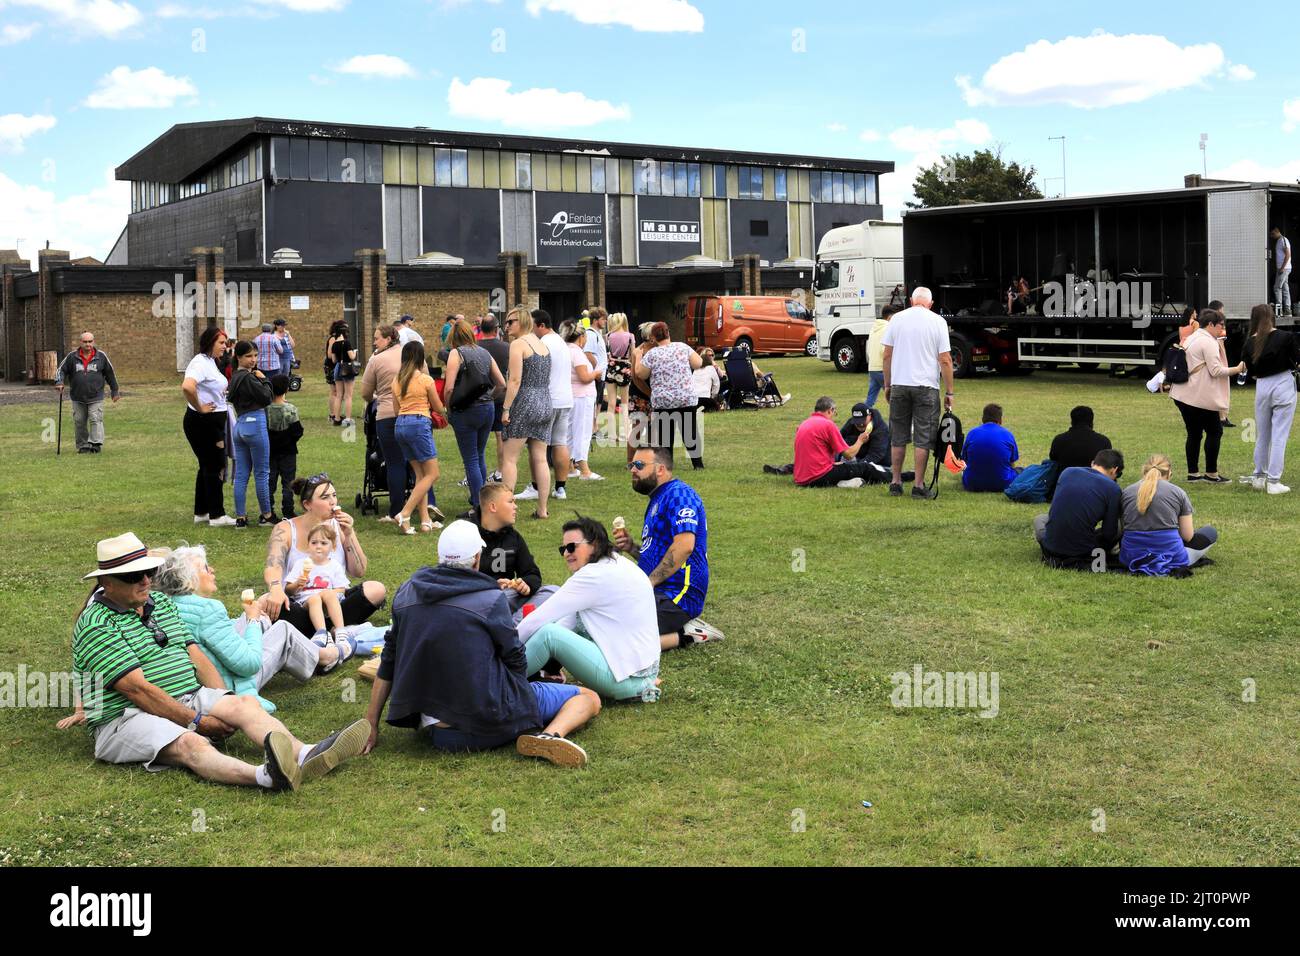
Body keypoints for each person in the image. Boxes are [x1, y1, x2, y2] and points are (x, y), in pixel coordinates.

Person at [68, 532, 368, 790]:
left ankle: (305, 754)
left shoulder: (158, 603)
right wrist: (197, 721)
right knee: (190, 743)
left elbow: (196, 656)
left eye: (149, 572)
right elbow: (138, 692)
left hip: (184, 695)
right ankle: (266, 776)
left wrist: (222, 699)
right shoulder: (98, 624)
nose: (147, 581)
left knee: (244, 705)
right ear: (106, 582)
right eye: (134, 576)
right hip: (125, 717)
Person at [362, 520, 600, 767]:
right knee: (588, 697)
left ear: (440, 556)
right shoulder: (490, 599)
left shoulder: (405, 593)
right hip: (487, 722)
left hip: (439, 733)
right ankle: (548, 736)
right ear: (477, 558)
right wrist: (526, 695)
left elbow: (389, 661)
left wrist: (371, 722)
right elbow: (515, 658)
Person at [154, 544, 350, 717]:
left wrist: (254, 616)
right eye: (205, 568)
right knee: (283, 630)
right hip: (232, 687)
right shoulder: (207, 609)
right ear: (190, 579)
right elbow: (248, 665)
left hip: (202, 684)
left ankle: (311, 649)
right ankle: (326, 656)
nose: (212, 570)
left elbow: (214, 635)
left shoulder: (166, 605)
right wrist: (253, 621)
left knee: (263, 617)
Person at [517, 517, 662, 701]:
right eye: (563, 549)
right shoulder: (617, 563)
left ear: (594, 544)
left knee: (548, 634)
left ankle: (499, 678)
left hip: (626, 681)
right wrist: (549, 663)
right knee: (556, 631)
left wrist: (503, 649)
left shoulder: (592, 575)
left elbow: (537, 620)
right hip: (641, 675)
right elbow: (569, 621)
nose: (566, 554)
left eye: (572, 547)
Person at [613, 446, 722, 649]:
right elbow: (658, 556)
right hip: (658, 592)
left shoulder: (679, 495)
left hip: (679, 596)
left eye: (639, 465)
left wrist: (649, 582)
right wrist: (632, 547)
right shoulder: (659, 498)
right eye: (631, 465)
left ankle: (687, 634)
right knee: (606, 616)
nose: (632, 470)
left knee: (619, 632)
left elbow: (684, 546)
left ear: (660, 469)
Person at [264, 473, 388, 633]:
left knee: (376, 589)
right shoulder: (285, 529)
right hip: (300, 603)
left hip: (334, 602)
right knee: (265, 601)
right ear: (307, 504)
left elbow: (359, 571)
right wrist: (275, 588)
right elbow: (273, 565)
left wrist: (349, 534)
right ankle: (335, 629)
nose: (333, 502)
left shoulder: (340, 526)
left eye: (334, 495)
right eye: (325, 497)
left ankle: (314, 630)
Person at [882, 286, 954, 500]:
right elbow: (945, 360)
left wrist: (887, 384)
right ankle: (919, 485)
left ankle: (895, 482)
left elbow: (886, 355)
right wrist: (950, 392)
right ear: (930, 304)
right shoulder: (938, 322)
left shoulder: (896, 319)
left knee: (898, 434)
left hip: (900, 384)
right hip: (926, 386)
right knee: (923, 436)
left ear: (911, 301)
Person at [1169, 310, 1243, 483]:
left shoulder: (1193, 337)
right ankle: (1211, 473)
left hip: (1182, 394)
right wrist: (1238, 369)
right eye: (1221, 325)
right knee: (1214, 431)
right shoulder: (1208, 342)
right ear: (1210, 324)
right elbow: (1216, 370)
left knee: (1194, 434)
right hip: (1197, 396)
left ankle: (1193, 473)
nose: (1223, 329)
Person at [444, 318, 507, 508]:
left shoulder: (456, 353)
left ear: (453, 337)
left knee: (470, 458)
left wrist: (449, 408)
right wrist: (489, 396)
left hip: (465, 410)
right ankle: (481, 499)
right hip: (487, 408)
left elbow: (448, 388)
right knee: (479, 455)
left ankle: (479, 504)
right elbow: (501, 383)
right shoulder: (484, 352)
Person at [1119, 454, 1218, 575]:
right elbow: (1187, 536)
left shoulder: (1127, 491)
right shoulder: (1177, 492)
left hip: (1131, 557)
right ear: (1169, 473)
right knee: (1210, 531)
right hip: (1173, 557)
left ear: (1144, 471)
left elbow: (1123, 528)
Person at [500, 307, 555, 518]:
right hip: (544, 401)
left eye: (510, 322)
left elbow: (515, 380)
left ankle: (506, 508)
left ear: (521, 321)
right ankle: (542, 509)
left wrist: (506, 408)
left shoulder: (518, 344)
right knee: (540, 458)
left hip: (524, 401)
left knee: (510, 458)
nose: (507, 326)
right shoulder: (542, 344)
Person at [460, 482, 547, 614]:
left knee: (551, 591)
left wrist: (524, 584)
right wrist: (493, 585)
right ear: (493, 507)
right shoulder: (465, 534)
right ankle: (514, 627)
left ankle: (511, 626)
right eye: (511, 502)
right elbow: (455, 580)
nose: (515, 506)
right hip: (474, 601)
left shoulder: (513, 537)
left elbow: (533, 574)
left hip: (505, 598)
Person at [1240, 303, 1300, 493]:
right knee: (1279, 435)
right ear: (1271, 316)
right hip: (1282, 383)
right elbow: (1296, 360)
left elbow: (1248, 369)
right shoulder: (1286, 337)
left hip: (1262, 386)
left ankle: (1259, 476)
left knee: (1262, 434)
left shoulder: (1250, 342)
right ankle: (1274, 481)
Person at [1033, 449, 1125, 571]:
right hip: (1083, 551)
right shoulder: (1113, 489)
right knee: (1119, 526)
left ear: (1093, 463)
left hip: (1051, 547)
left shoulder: (1067, 472)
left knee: (1040, 519)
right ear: (1114, 470)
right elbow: (1109, 533)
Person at [516, 310, 574, 501]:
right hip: (565, 398)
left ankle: (535, 486)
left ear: (541, 325)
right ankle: (560, 488)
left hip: (547, 398)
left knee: (536, 447)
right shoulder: (561, 342)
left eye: (532, 325)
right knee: (560, 443)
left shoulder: (543, 343)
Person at [181, 327, 236, 527]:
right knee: (215, 466)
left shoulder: (211, 362)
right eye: (221, 343)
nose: (225, 346)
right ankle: (217, 515)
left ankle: (202, 512)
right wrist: (200, 407)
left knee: (206, 465)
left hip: (212, 421)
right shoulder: (199, 362)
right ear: (210, 342)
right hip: (204, 423)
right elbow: (187, 386)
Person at [393, 340, 448, 534]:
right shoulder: (426, 380)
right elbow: (437, 407)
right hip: (418, 424)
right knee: (433, 474)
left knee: (420, 475)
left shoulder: (397, 379)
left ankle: (425, 521)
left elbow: (396, 409)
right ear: (420, 358)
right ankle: (404, 513)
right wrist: (446, 413)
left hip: (400, 425)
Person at [764, 402, 900, 480]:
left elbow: (876, 456)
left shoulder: (881, 430)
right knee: (817, 463)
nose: (859, 426)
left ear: (870, 416)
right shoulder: (852, 423)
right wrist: (831, 460)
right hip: (852, 457)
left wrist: (855, 465)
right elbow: (837, 441)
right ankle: (787, 468)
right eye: (856, 422)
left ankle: (904, 476)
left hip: (875, 463)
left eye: (862, 422)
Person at [635, 321, 704, 469]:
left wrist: (637, 357)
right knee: (690, 432)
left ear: (653, 338)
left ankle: (667, 465)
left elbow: (640, 374)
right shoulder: (682, 347)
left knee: (665, 436)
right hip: (686, 397)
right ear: (668, 333)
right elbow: (698, 363)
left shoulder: (652, 354)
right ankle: (698, 464)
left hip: (663, 400)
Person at [360, 322, 410, 523]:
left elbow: (365, 393)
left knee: (394, 462)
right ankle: (424, 506)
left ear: (388, 338)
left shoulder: (376, 360)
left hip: (387, 413)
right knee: (420, 462)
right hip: (414, 413)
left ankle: (396, 510)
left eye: (377, 337)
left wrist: (377, 395)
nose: (374, 342)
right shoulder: (411, 355)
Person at [228, 340, 276, 528]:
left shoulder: (235, 377)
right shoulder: (249, 377)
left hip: (239, 426)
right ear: (238, 357)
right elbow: (266, 398)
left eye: (255, 355)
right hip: (255, 424)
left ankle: (241, 517)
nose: (253, 360)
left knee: (241, 475)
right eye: (248, 356)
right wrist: (264, 379)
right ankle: (266, 514)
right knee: (262, 472)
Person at [790, 397, 880, 488]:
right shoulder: (827, 425)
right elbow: (849, 455)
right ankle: (891, 478)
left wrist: (831, 464)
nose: (833, 416)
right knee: (865, 468)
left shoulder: (804, 424)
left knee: (841, 467)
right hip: (819, 476)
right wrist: (860, 441)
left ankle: (842, 483)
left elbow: (812, 454)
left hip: (801, 478)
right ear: (830, 410)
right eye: (834, 413)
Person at [55, 330, 120, 454]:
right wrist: (59, 382)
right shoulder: (71, 357)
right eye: (85, 342)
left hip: (96, 395)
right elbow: (61, 370)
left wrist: (115, 391)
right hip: (77, 396)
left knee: (95, 419)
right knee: (79, 420)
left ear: (93, 342)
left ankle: (96, 444)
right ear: (80, 342)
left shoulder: (101, 356)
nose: (88, 344)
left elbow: (110, 374)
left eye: (90, 341)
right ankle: (83, 445)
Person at [563, 320, 603, 481]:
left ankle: (570, 467)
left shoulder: (565, 350)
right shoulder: (577, 352)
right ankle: (584, 469)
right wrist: (596, 373)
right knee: (583, 432)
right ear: (581, 337)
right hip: (582, 397)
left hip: (572, 395)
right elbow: (585, 377)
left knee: (570, 433)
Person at [1047, 406, 1111, 498]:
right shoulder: (1103, 441)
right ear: (1091, 421)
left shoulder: (1059, 440)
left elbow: (1053, 459)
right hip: (1093, 489)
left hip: (1064, 488)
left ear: (1072, 421)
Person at [478, 313, 511, 482]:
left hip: (478, 397)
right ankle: (500, 471)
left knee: (476, 438)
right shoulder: (506, 347)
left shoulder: (474, 348)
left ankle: (475, 473)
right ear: (496, 329)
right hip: (500, 395)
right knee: (500, 436)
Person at [960, 403, 1021, 493]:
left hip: (972, 483)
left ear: (983, 418)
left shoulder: (972, 433)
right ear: (1000, 420)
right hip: (1003, 484)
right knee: (1020, 471)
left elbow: (964, 460)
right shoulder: (1008, 434)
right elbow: (1012, 462)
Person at [266, 374, 303, 521]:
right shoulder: (291, 409)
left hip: (270, 452)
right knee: (288, 483)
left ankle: (268, 511)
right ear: (287, 389)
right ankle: (288, 511)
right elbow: (298, 431)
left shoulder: (265, 409)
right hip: (288, 452)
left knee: (269, 483)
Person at [604, 312, 635, 442]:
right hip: (625, 368)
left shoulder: (608, 336)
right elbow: (632, 355)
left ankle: (611, 434)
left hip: (611, 368)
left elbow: (606, 353)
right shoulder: (630, 336)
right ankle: (625, 434)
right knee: (624, 403)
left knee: (611, 403)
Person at [865, 304, 898, 409]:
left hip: (872, 368)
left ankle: (863, 417)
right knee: (895, 399)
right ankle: (899, 422)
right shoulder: (889, 328)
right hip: (882, 368)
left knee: (870, 399)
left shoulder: (873, 328)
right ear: (890, 317)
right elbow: (886, 352)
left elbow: (869, 347)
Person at [327, 319, 358, 427]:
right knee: (348, 396)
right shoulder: (347, 343)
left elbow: (334, 360)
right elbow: (351, 357)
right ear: (345, 332)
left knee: (339, 395)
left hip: (337, 369)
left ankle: (336, 418)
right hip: (347, 368)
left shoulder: (335, 344)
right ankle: (348, 419)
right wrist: (354, 352)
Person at [1272, 226, 1292, 314]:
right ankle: (1287, 310)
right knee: (1285, 288)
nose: (1271, 236)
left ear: (1277, 231)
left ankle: (1279, 311)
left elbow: (1288, 254)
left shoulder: (1283, 240)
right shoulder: (1279, 241)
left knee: (1277, 288)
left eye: (1272, 234)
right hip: (1283, 268)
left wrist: (1282, 268)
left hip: (1284, 268)